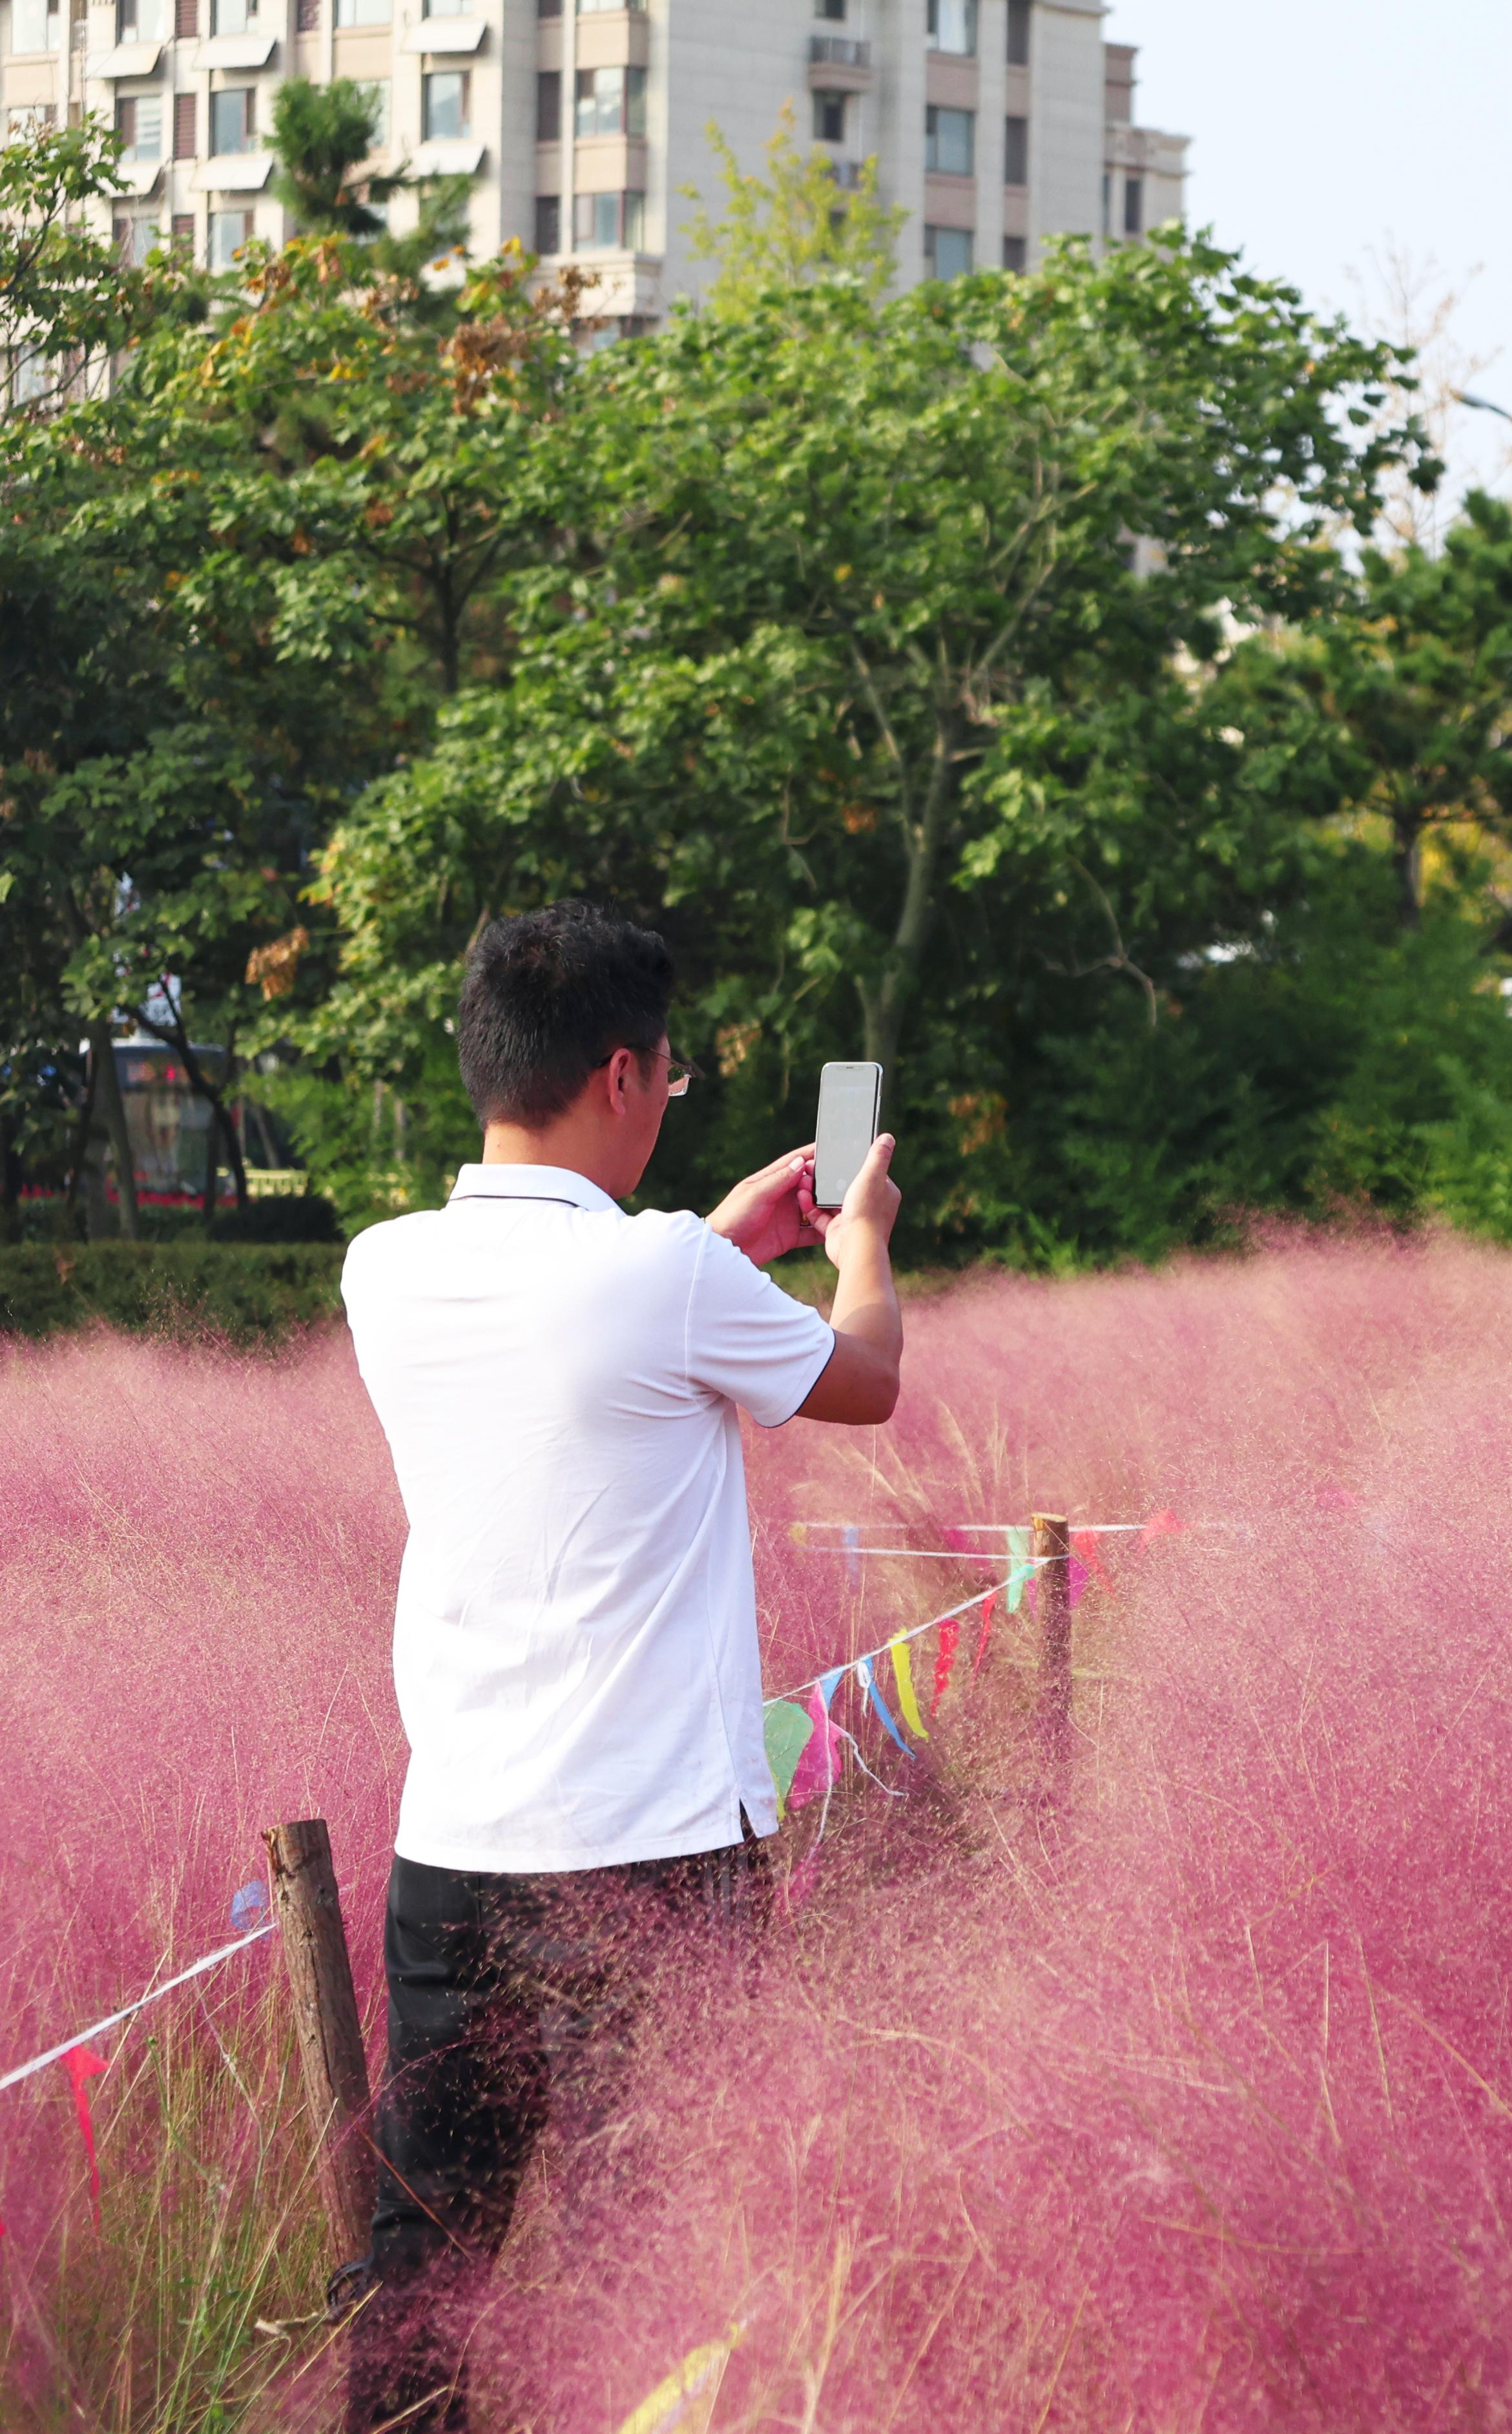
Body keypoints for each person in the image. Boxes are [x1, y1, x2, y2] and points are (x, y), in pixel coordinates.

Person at [337, 902, 904, 2433]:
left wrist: (714, 1240)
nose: (666, 1094)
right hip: (650, 1857)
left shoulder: (383, 1271)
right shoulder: (663, 1276)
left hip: (453, 1851)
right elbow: (866, 1377)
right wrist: (860, 1246)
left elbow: (585, 1342)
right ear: (620, 1074)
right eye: (667, 1071)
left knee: (425, 2253)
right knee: (640, 2253)